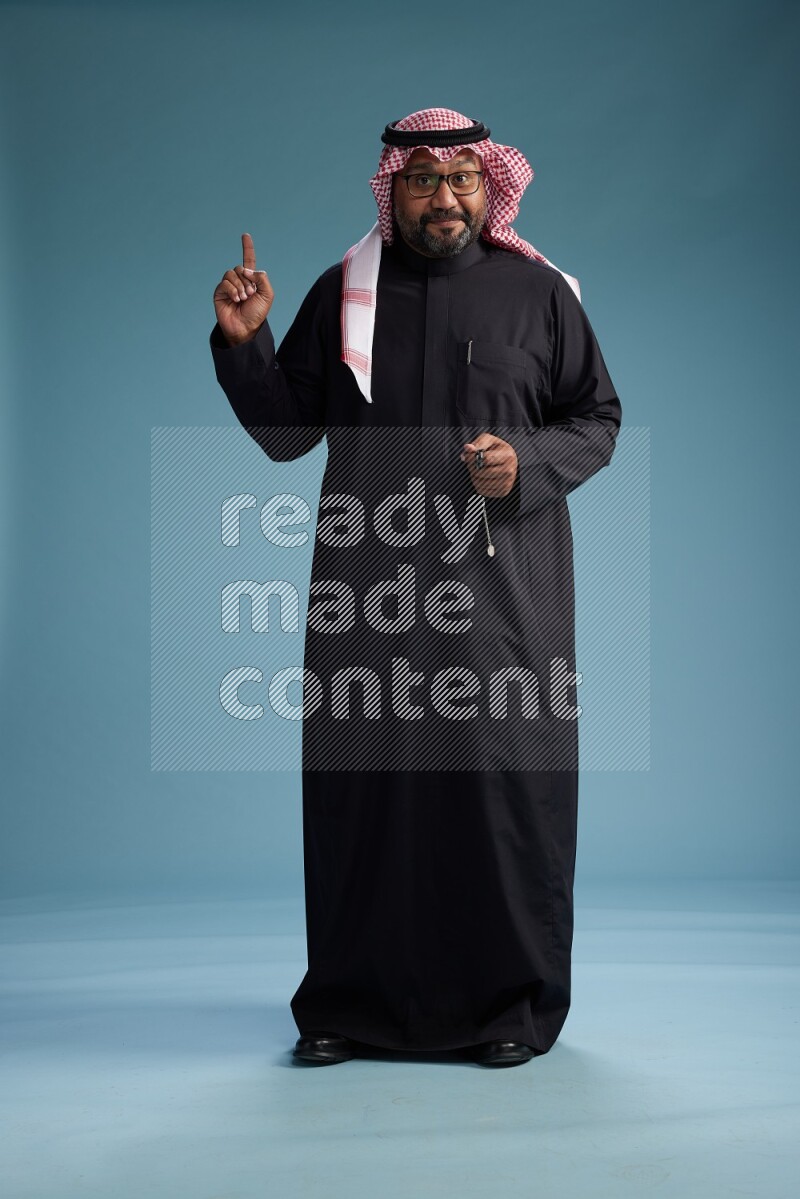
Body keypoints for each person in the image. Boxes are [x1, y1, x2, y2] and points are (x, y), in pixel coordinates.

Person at [210, 108, 622, 1068]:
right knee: (366, 794)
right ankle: (351, 1007)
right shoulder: (344, 293)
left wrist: (521, 462)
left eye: (463, 178)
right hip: (369, 599)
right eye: (423, 178)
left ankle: (507, 1007)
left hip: (503, 604)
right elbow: (285, 432)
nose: (445, 196)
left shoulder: (540, 297)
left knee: (502, 793)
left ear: (492, 188)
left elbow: (596, 419)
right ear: (391, 190)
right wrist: (246, 345)